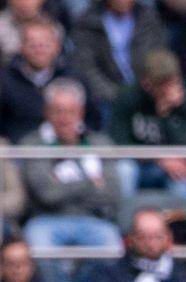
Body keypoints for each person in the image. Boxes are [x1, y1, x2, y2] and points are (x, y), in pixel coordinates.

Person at [18, 80, 123, 254]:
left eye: (70, 112)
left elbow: (112, 194)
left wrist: (61, 183)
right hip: (46, 220)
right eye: (58, 112)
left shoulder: (99, 142)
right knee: (37, 244)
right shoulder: (32, 144)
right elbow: (47, 194)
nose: (64, 119)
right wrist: (91, 182)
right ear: (47, 112)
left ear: (81, 113)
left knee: (111, 245)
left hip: (93, 219)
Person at [110, 50, 186, 199]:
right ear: (147, 84)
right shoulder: (127, 96)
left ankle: (178, 222)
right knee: (123, 170)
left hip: (171, 166)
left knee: (181, 181)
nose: (169, 89)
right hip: (136, 163)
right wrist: (158, 158)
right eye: (163, 84)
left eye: (173, 82)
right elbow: (119, 142)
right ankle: (123, 220)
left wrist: (167, 114)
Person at [67, 0, 164, 116]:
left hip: (146, 91)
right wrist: (116, 95)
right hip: (106, 97)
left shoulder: (149, 17)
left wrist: (150, 87)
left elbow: (159, 57)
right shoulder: (87, 21)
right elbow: (86, 66)